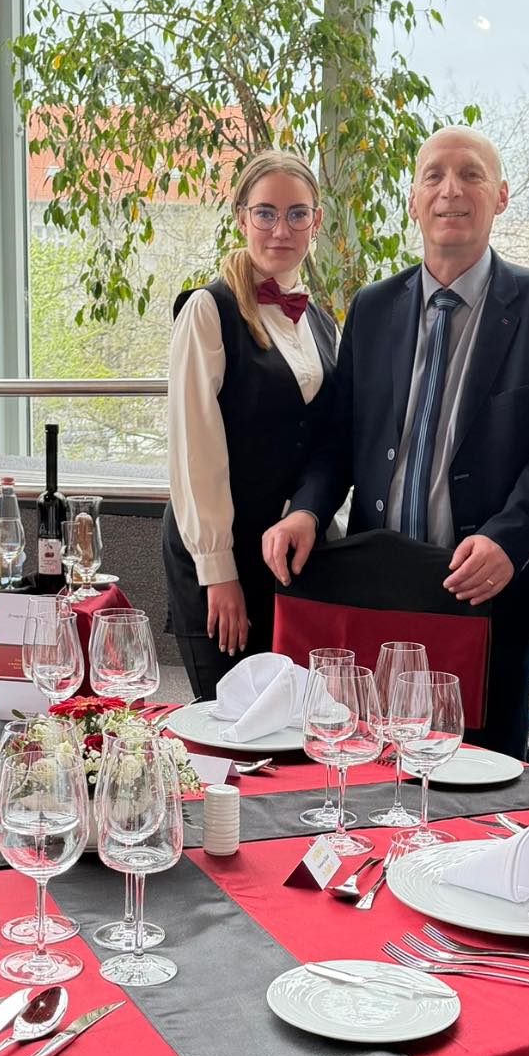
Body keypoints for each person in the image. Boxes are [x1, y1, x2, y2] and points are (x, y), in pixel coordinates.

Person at [261, 128, 529, 759]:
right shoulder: (372, 307)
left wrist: (510, 539)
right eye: (434, 176)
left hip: (484, 589)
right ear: (413, 200)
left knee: (483, 775)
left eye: (471, 175)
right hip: (378, 589)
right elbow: (338, 439)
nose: (451, 190)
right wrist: (306, 510)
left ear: (501, 196)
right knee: (366, 763)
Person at [163, 150, 339, 699]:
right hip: (220, 558)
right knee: (226, 725)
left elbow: (327, 441)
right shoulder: (208, 310)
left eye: (296, 214)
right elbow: (195, 450)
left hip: (292, 564)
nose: (280, 229)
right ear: (242, 218)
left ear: (316, 221)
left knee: (291, 725)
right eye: (265, 213)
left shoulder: (322, 323)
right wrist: (219, 572)